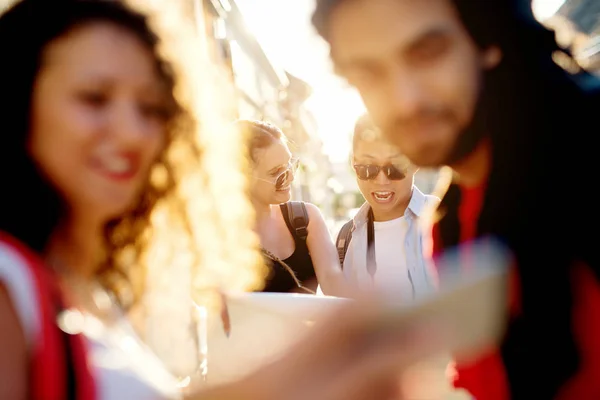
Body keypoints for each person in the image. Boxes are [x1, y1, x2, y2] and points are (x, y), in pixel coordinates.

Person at [0, 1, 439, 399]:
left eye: (150, 108)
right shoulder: (9, 281)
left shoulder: (87, 287)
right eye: (94, 98)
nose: (132, 131)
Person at [312, 0, 600, 398]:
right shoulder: (448, 217)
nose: (404, 100)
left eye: (428, 52)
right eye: (369, 74)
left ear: (487, 38)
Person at [237, 119, 348, 296]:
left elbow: (332, 281)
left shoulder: (305, 218)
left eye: (290, 165)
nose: (289, 177)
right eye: (276, 173)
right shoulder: (219, 233)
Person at [337, 113, 439, 301]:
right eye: (368, 167)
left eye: (395, 167)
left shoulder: (443, 217)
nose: (381, 180)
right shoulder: (347, 239)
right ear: (353, 163)